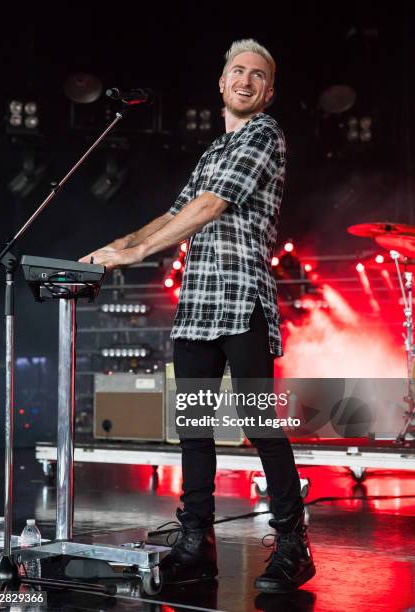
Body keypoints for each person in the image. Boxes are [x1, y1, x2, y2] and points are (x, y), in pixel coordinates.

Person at [80, 38, 315, 593]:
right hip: (197, 308)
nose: (247, 80)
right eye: (238, 70)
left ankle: (293, 546)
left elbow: (211, 207)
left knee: (260, 425)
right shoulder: (212, 151)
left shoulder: (265, 135)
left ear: (269, 90)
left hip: (243, 304)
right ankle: (195, 544)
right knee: (194, 431)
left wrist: (138, 254)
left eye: (259, 75)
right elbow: (175, 211)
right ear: (222, 82)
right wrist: (116, 247)